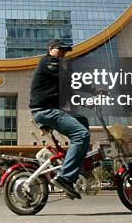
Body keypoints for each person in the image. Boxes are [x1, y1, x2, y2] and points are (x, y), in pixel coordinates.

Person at [29, 39, 90, 200]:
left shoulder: (55, 72)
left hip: (49, 110)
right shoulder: (49, 62)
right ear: (50, 49)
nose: (63, 53)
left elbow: (68, 91)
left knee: (82, 121)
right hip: (46, 111)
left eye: (65, 51)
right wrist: (93, 88)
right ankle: (65, 177)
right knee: (81, 135)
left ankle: (75, 164)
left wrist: (86, 102)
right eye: (60, 49)